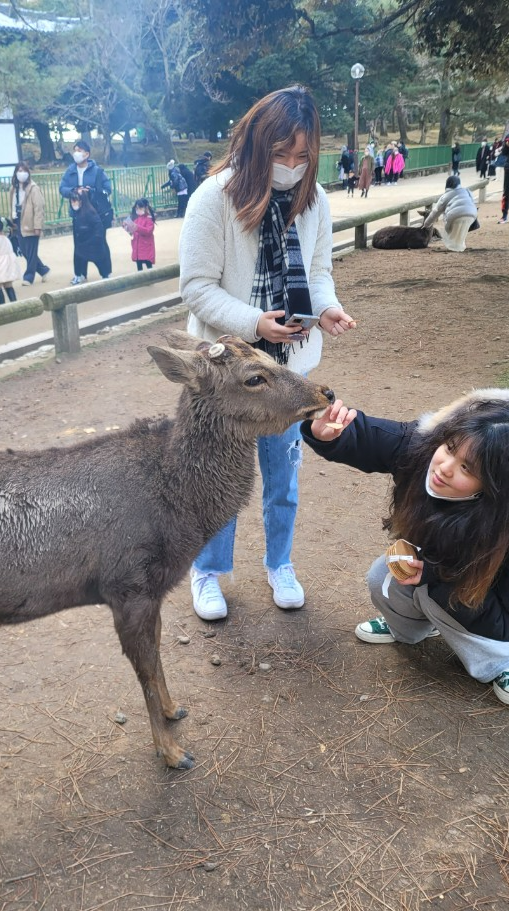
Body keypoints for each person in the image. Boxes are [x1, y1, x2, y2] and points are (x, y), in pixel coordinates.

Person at [178, 85, 357, 621]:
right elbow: (197, 287)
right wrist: (254, 323)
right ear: (258, 144)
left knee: (283, 477)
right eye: (281, 155)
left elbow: (319, 272)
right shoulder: (214, 197)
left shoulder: (313, 198)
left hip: (289, 369)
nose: (291, 167)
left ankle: (279, 563)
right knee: (221, 479)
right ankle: (207, 569)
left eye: (302, 157)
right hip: (231, 372)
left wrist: (326, 309)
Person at [301, 385, 509, 706]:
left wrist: (434, 577)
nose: (444, 467)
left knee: (440, 598)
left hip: (483, 595)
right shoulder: (428, 449)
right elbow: (374, 438)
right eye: (450, 447)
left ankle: (499, 664)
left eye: (467, 468)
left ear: (498, 486)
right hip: (434, 565)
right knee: (381, 575)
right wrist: (331, 435)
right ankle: (410, 630)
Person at [9, 161, 51, 286]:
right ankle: (44, 270)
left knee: (31, 250)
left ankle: (29, 276)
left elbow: (39, 208)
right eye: (19, 171)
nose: (21, 173)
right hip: (17, 222)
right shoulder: (13, 189)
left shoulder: (33, 188)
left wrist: (38, 226)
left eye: (24, 171)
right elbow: (11, 205)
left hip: (30, 222)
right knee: (24, 250)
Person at [58, 140, 113, 229]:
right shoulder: (70, 171)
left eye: (79, 151)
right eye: (75, 150)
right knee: (80, 241)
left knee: (97, 241)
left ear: (87, 154)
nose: (76, 153)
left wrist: (92, 192)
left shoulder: (97, 171)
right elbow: (62, 188)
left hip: (96, 213)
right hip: (77, 213)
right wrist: (73, 191)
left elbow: (107, 189)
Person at [422, 175, 479, 252]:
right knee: (462, 230)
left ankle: (454, 246)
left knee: (452, 229)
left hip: (455, 216)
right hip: (472, 215)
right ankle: (460, 245)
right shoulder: (467, 191)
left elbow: (435, 212)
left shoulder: (445, 196)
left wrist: (426, 224)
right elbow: (472, 203)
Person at [67, 188, 111, 284]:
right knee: (78, 259)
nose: (73, 203)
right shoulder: (76, 214)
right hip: (82, 243)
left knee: (99, 260)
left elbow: (98, 227)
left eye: (75, 201)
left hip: (92, 242)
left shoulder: (90, 212)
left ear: (81, 201)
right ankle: (78, 275)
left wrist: (96, 239)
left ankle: (105, 275)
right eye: (72, 201)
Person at [124, 198, 155, 271]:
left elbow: (148, 231)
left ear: (145, 208)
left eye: (140, 208)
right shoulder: (136, 219)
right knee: (139, 266)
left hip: (146, 246)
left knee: (148, 265)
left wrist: (137, 227)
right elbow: (132, 232)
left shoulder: (149, 219)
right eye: (137, 208)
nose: (138, 210)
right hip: (137, 247)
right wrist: (127, 227)